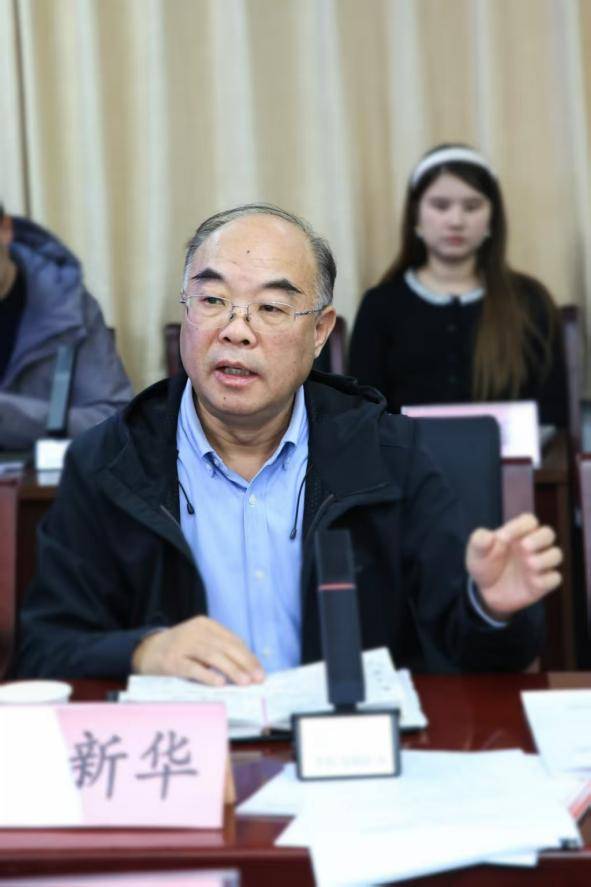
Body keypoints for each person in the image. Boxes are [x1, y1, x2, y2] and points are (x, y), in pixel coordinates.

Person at [16, 204, 562, 682]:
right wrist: (143, 651)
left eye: (271, 308)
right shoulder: (108, 462)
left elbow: (470, 652)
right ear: (186, 312)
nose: (236, 329)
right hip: (192, 752)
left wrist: (490, 609)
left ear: (320, 332)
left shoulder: (389, 455)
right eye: (212, 299)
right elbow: (42, 650)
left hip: (347, 752)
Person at [348, 145, 568, 426]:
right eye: (440, 206)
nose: (456, 221)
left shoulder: (530, 300)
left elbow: (553, 413)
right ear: (415, 215)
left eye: (472, 207)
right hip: (406, 454)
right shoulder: (380, 305)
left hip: (510, 455)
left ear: (492, 218)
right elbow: (364, 412)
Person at [0, 205, 133, 450]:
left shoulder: (69, 306)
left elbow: (113, 419)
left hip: (43, 472)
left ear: (5, 230)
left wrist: (10, 417)